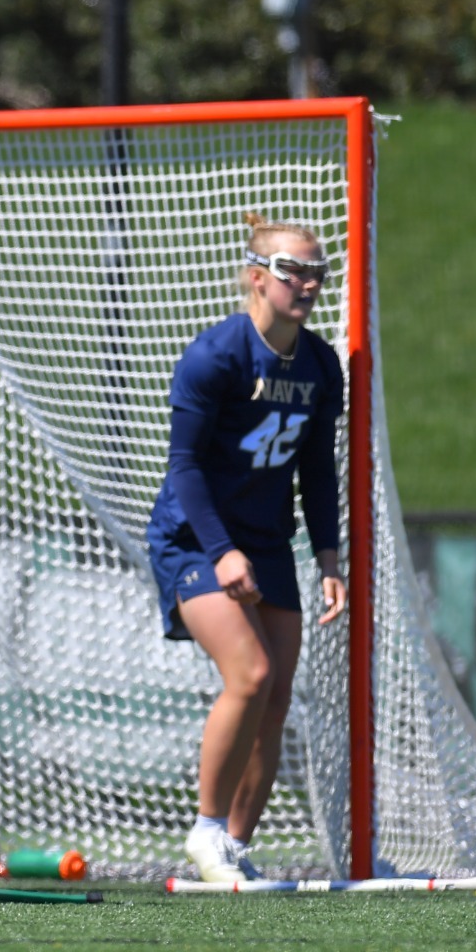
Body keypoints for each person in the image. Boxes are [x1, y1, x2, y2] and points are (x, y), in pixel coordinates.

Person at [146, 214, 348, 883]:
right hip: (195, 539)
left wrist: (327, 557)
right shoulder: (216, 355)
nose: (309, 283)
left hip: (267, 543)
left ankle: (232, 844)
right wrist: (223, 550)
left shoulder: (320, 364)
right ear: (256, 277)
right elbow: (185, 466)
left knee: (277, 694)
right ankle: (205, 830)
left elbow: (318, 469)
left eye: (318, 270)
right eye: (293, 270)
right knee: (251, 674)